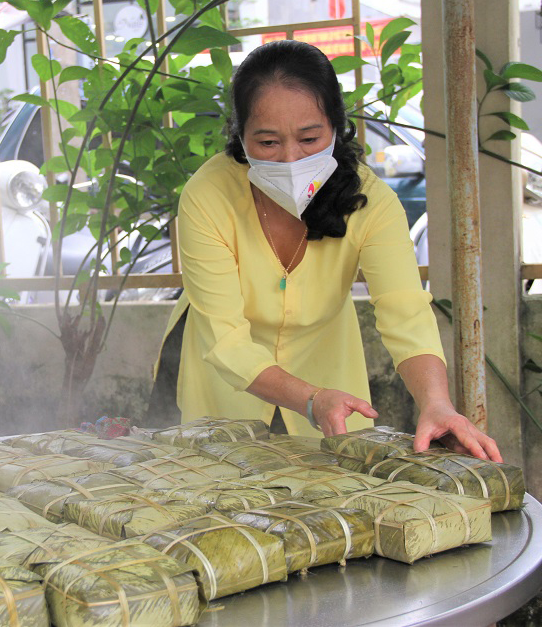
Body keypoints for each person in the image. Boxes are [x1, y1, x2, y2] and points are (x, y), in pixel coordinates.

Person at [152, 40, 501, 462]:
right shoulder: (207, 196)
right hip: (224, 385)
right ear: (240, 136)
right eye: (267, 143)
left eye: (309, 138)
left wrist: (436, 402)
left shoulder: (372, 202)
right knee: (222, 492)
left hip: (331, 379)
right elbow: (226, 341)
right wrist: (310, 398)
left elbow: (405, 311)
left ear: (336, 126)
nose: (290, 159)